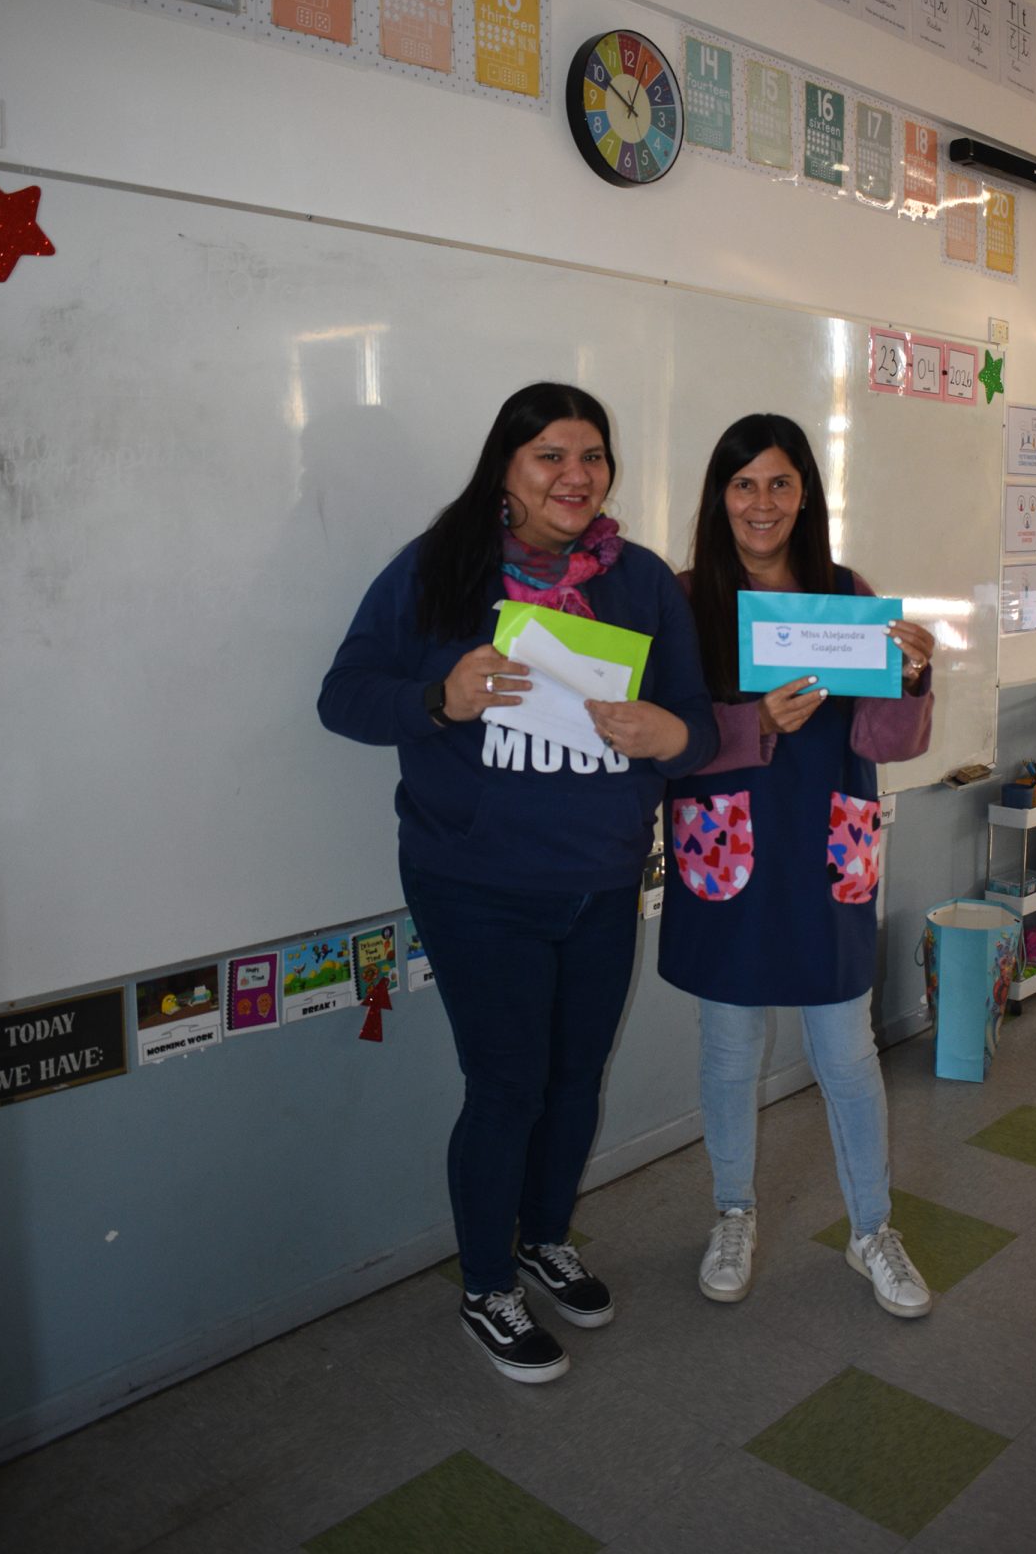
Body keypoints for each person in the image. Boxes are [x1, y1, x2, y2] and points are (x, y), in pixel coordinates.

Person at [317, 382, 716, 1384]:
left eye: (592, 456)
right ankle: (487, 1285)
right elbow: (344, 697)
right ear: (506, 467)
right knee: (507, 1086)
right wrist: (436, 697)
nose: (574, 476)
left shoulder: (641, 585)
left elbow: (695, 724)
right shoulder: (438, 571)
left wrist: (669, 736)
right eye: (549, 456)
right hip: (475, 883)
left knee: (576, 1078)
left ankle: (545, 1238)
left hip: (602, 880)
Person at [658, 413, 935, 1318]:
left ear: (805, 492)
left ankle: (871, 1231)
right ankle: (732, 1213)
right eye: (744, 485)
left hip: (827, 846)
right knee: (731, 1048)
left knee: (846, 1051)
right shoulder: (685, 600)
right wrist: (754, 727)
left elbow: (885, 737)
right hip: (726, 845)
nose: (762, 503)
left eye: (779, 483)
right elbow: (664, 745)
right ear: (720, 497)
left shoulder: (844, 595)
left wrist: (915, 676)